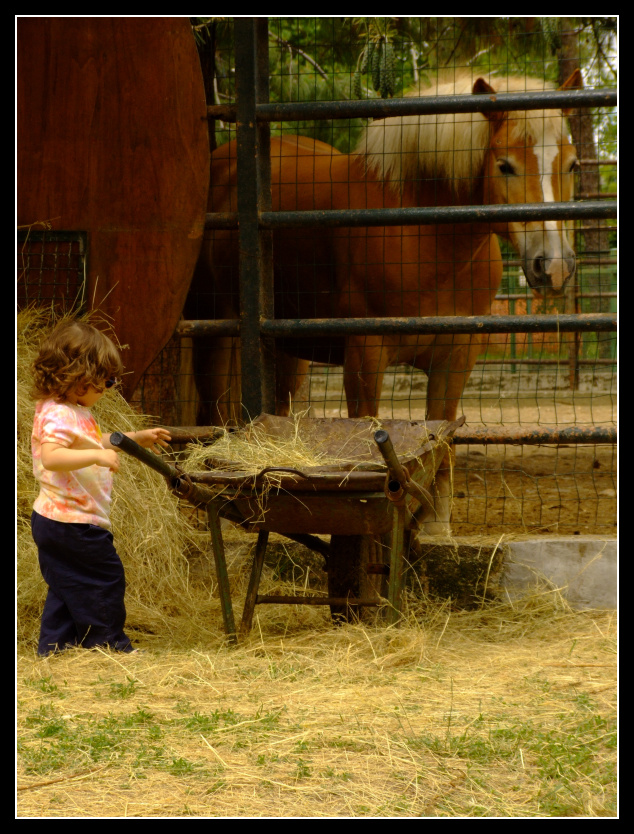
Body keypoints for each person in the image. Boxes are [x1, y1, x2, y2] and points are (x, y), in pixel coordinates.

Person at [30, 319, 171, 656]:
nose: (109, 388)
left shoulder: (73, 411)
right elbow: (51, 456)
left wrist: (134, 440)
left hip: (62, 521)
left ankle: (55, 649)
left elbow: (92, 441)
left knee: (67, 585)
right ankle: (109, 646)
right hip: (71, 522)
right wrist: (98, 455)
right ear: (80, 380)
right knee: (104, 578)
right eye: (106, 382)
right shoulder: (57, 415)